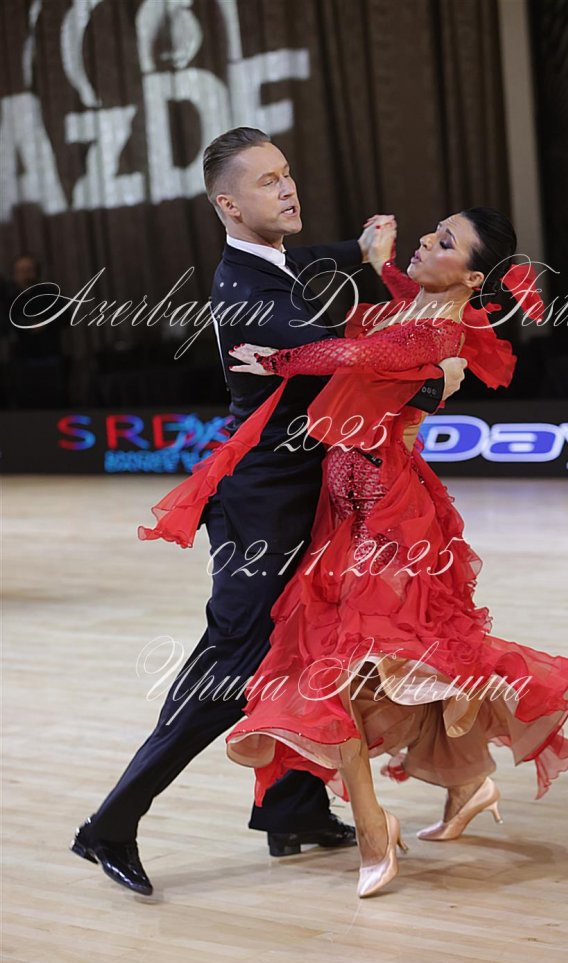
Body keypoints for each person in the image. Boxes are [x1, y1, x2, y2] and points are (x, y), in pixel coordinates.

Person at [71, 127, 465, 896]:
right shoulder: (248, 295)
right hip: (262, 510)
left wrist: (356, 251)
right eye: (266, 182)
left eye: (287, 174)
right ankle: (111, 823)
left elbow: (304, 261)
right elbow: (348, 367)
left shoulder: (267, 264)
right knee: (230, 667)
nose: (287, 188)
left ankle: (292, 809)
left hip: (297, 500)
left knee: (306, 650)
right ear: (228, 205)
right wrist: (435, 381)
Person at [221, 207, 568, 898]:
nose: (425, 241)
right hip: (345, 510)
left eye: (444, 243)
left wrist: (274, 360)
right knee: (398, 664)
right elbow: (394, 306)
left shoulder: (437, 332)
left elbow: (356, 355)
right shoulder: (412, 307)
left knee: (349, 669)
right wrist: (382, 261)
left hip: (388, 513)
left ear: (472, 277)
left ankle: (373, 827)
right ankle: (466, 783)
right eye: (431, 231)